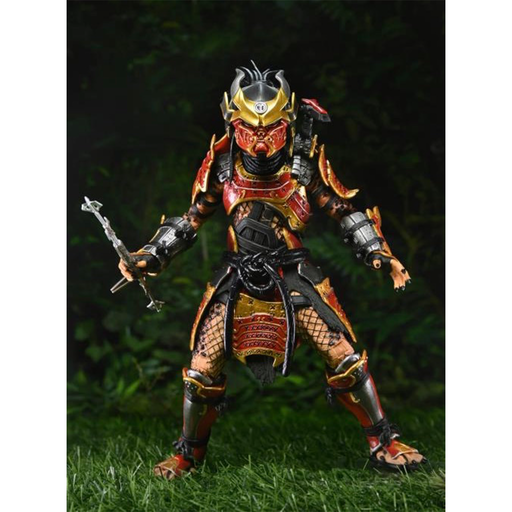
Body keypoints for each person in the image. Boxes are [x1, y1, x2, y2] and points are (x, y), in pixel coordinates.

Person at [119, 63, 425, 479]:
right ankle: (187, 456)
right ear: (233, 123)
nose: (259, 142)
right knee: (201, 372)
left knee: (345, 358)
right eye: (249, 130)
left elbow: (341, 209)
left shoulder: (304, 165)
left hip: (293, 274)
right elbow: (192, 219)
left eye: (270, 130)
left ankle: (383, 443)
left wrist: (378, 253)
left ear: (288, 123)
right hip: (237, 278)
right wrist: (150, 255)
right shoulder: (223, 164)